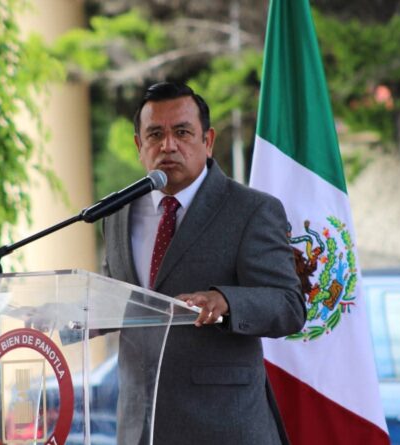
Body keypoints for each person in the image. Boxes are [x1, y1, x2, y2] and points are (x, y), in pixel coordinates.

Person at [101, 82, 306, 445]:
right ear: (138, 146)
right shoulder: (117, 213)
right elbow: (115, 296)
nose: (168, 145)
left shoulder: (251, 210)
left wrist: (226, 301)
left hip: (224, 427)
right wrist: (77, 313)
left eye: (182, 132)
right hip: (140, 428)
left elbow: (288, 306)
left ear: (207, 141)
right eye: (155, 134)